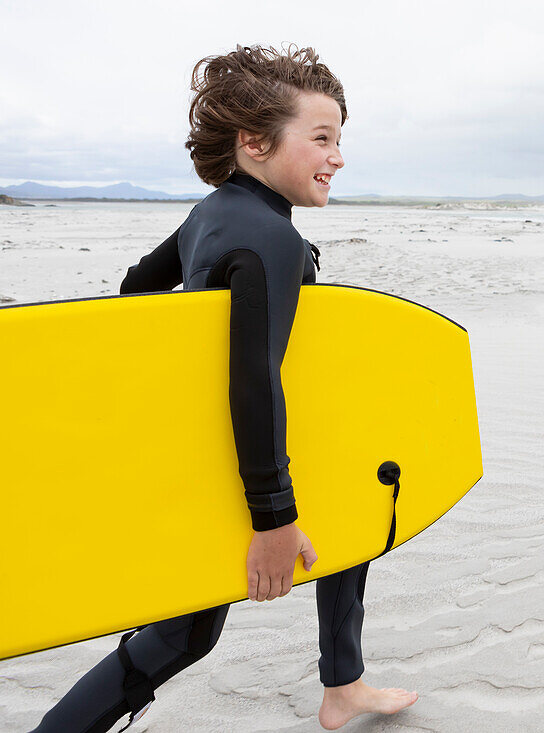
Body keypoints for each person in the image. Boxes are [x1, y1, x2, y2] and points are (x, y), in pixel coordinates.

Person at [32, 45, 417, 733]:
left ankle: (344, 683)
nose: (337, 156)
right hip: (243, 459)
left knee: (350, 522)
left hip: (226, 443)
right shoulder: (269, 238)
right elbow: (255, 376)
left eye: (340, 139)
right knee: (186, 633)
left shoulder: (214, 214)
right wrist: (271, 518)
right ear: (255, 142)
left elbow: (137, 292)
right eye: (322, 138)